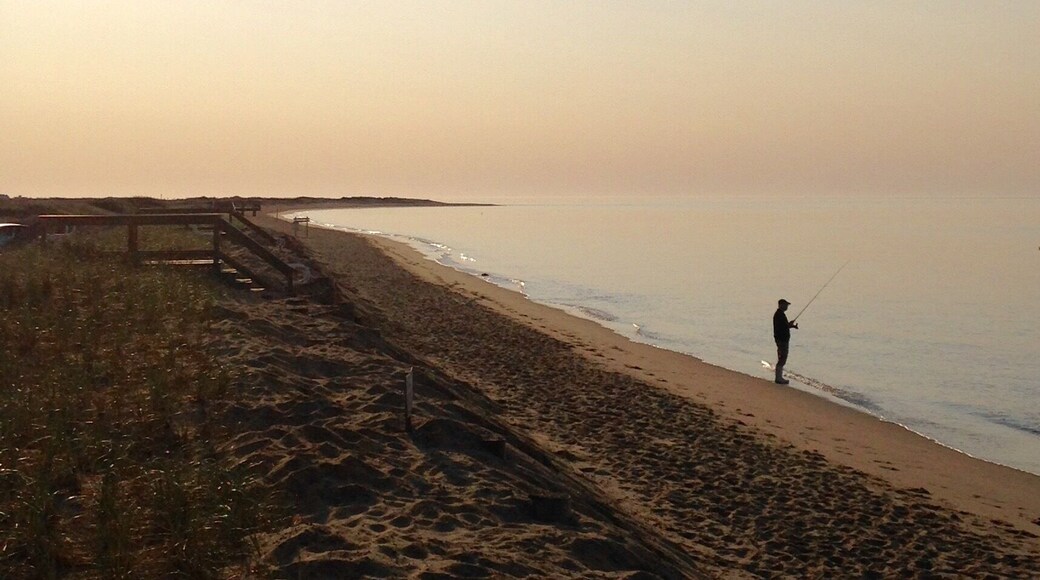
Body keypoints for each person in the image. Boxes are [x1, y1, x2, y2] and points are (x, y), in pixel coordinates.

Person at [773, 298, 798, 384]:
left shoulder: (780, 314)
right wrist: (789, 325)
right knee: (782, 358)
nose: (787, 306)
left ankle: (779, 377)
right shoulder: (779, 315)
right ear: (781, 305)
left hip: (781, 339)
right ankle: (778, 378)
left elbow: (784, 326)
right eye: (786, 305)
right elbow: (782, 327)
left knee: (782, 357)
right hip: (781, 340)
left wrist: (791, 326)